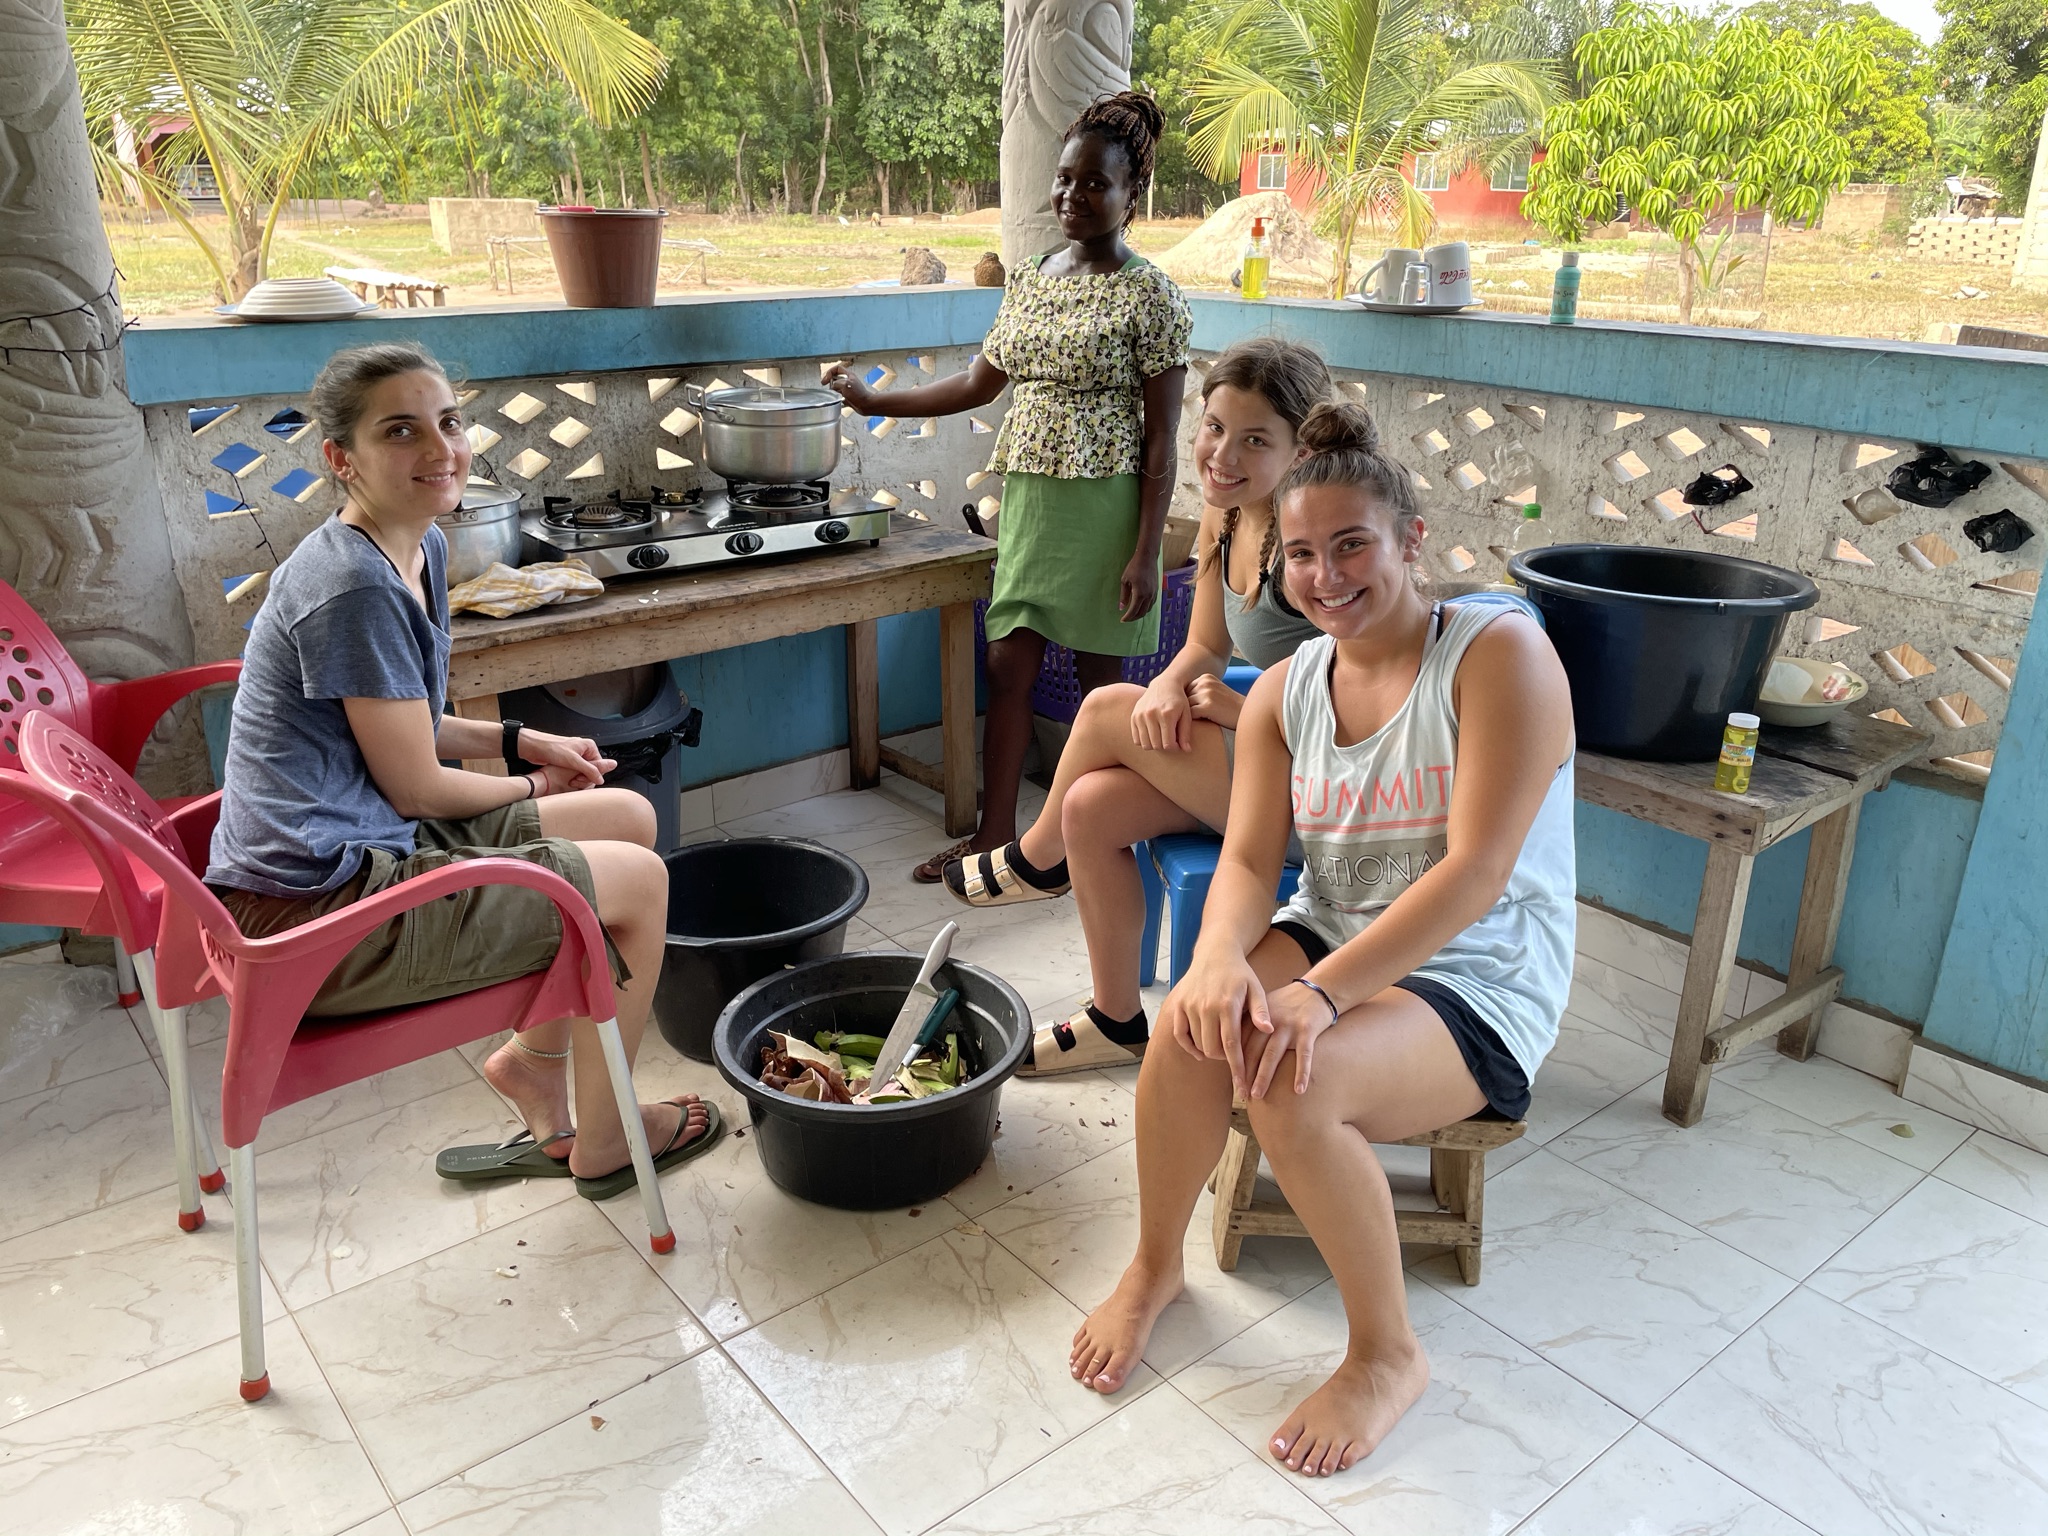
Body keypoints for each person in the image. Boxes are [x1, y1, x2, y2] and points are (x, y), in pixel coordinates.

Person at [1068, 401, 1577, 1477]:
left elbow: (1476, 873)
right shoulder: (1290, 692)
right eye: (1300, 553)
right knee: (1187, 1032)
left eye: (1351, 545)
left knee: (1293, 1082)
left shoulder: (1497, 659)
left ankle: (1387, 1354)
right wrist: (1213, 962)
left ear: (1409, 540)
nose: (1324, 574)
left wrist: (1323, 996)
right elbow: (1252, 863)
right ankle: (1155, 1266)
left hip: (1478, 970)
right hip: (1334, 926)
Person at [205, 342, 717, 1199]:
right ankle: (608, 1138)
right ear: (341, 458)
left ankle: (532, 1061)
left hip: (363, 847)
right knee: (639, 886)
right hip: (318, 919)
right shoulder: (352, 587)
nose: (441, 450)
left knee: (627, 818)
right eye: (401, 431)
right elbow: (419, 786)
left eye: (448, 421)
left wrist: (524, 743)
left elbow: (400, 723)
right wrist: (533, 787)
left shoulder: (414, 547)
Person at [938, 338, 1335, 1078]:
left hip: (1315, 799)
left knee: (1101, 709)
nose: (1223, 453)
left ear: (1301, 449)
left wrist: (1241, 718)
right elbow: (1205, 650)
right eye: (1215, 426)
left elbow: (1363, 718)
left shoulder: (1313, 548)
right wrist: (1169, 685)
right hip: (1256, 764)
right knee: (1089, 804)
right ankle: (1115, 1018)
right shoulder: (1227, 516)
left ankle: (1034, 860)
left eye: (1256, 440)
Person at [826, 92, 1191, 883]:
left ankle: (1083, 847)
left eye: (1096, 184)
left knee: (1101, 693)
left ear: (1133, 196)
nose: (1072, 197)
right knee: (1008, 665)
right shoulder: (1029, 278)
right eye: (1064, 180)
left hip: (1106, 505)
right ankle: (995, 842)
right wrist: (874, 398)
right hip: (1029, 499)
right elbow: (974, 384)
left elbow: (1163, 435)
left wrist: (1145, 553)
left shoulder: (1149, 293)